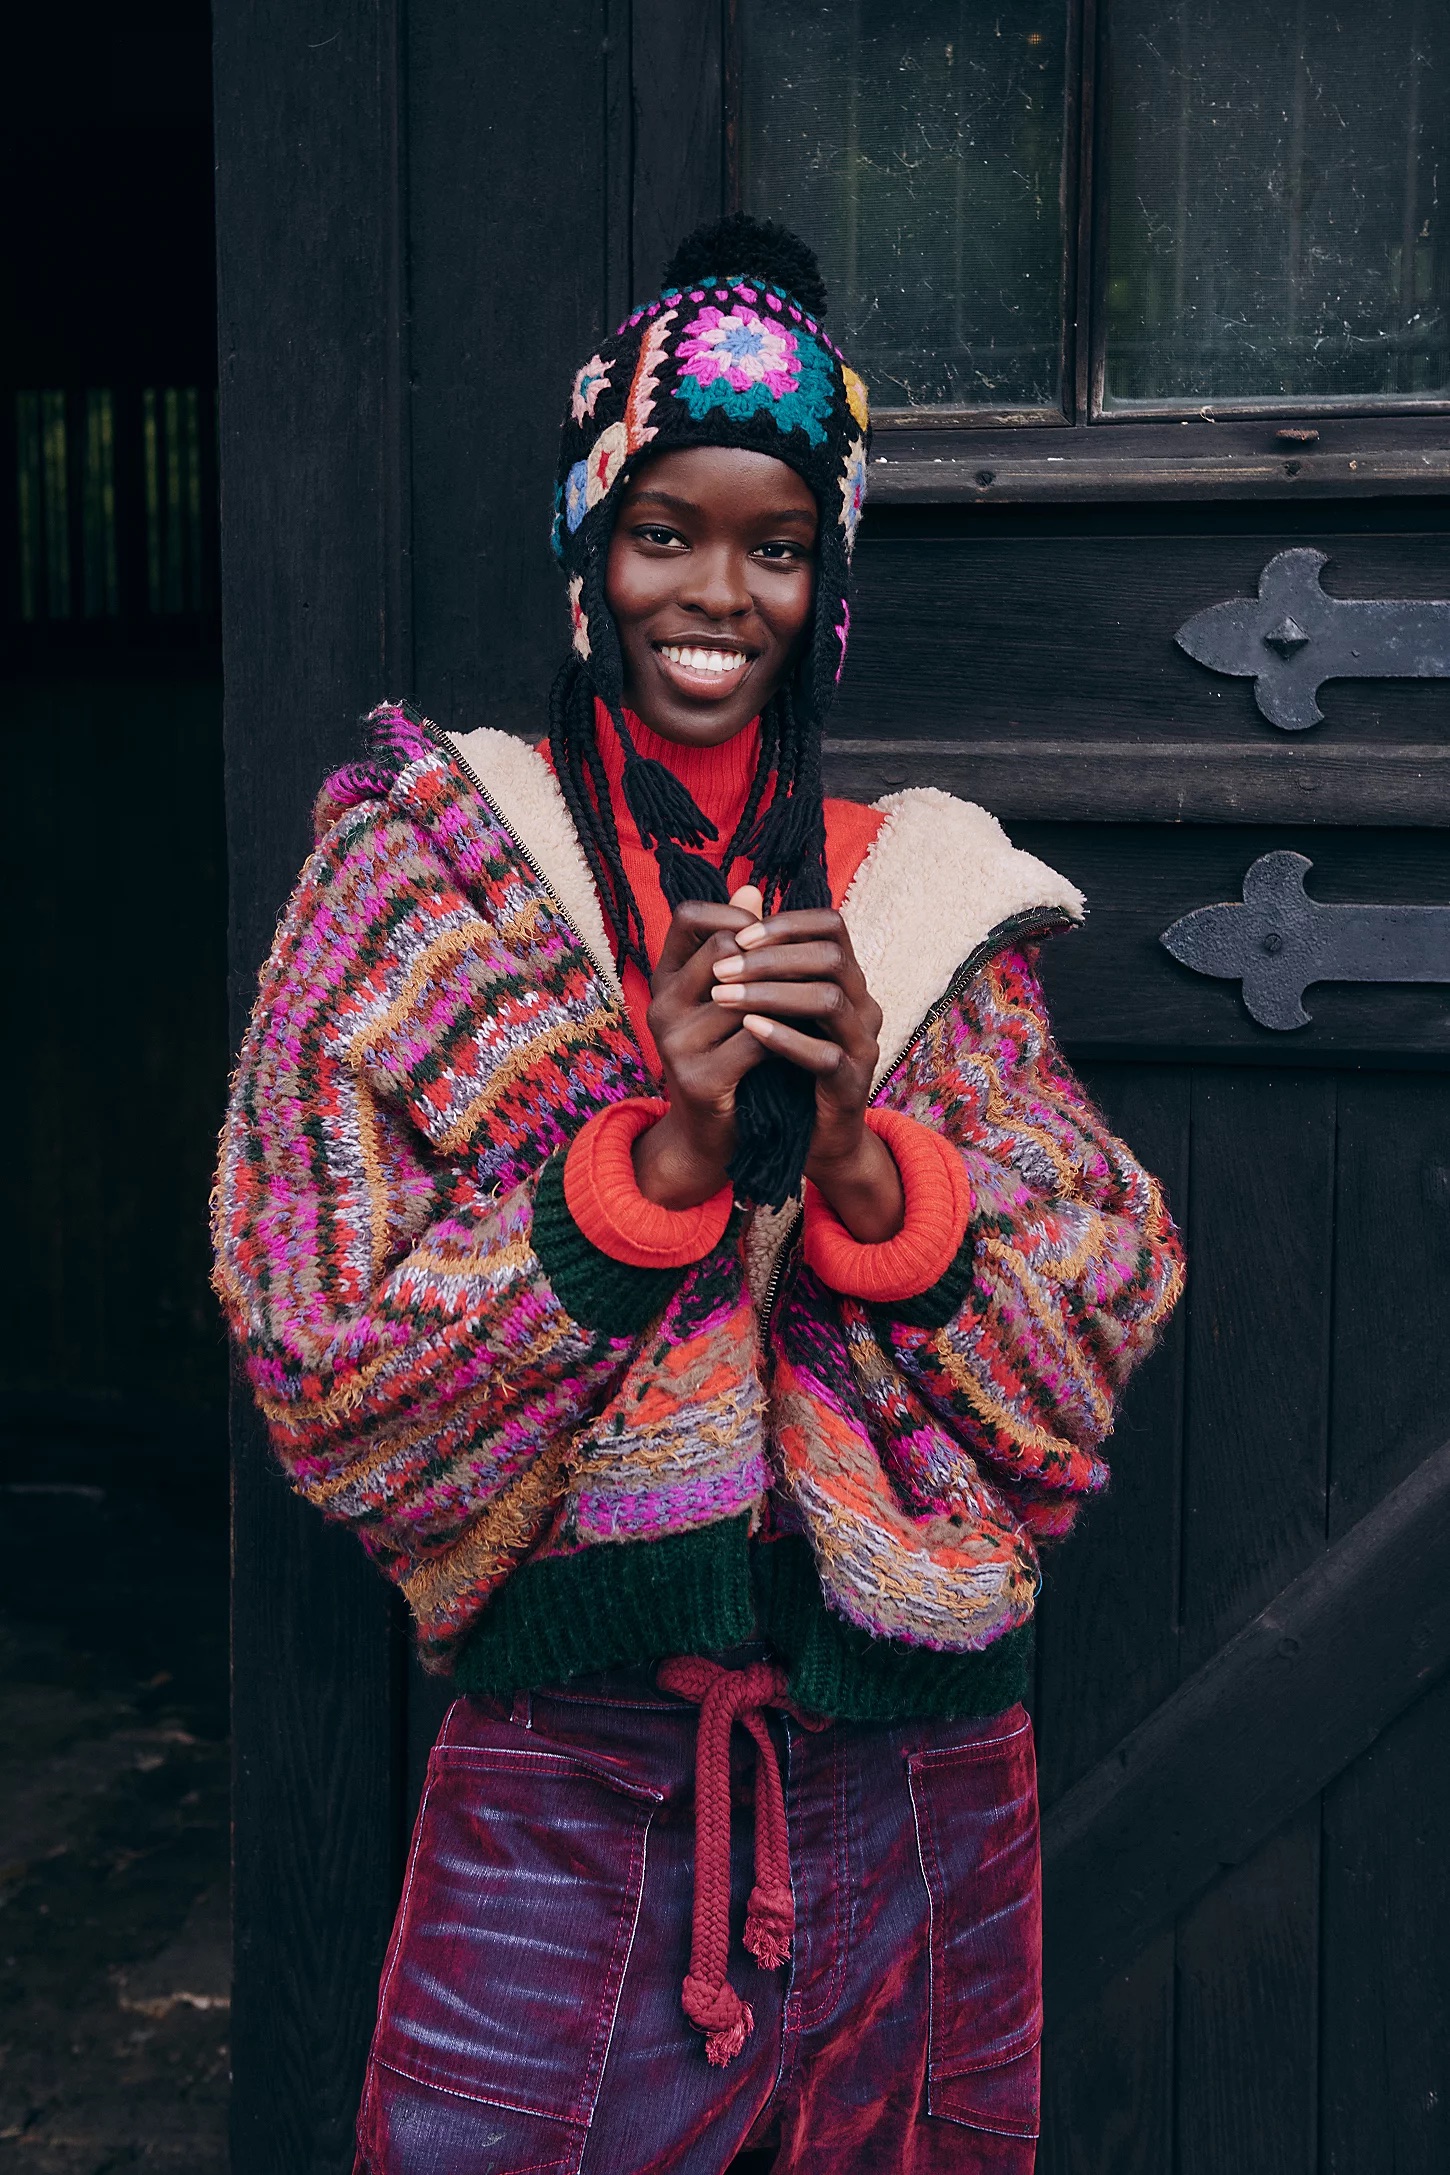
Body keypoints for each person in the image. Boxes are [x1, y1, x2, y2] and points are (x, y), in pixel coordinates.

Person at [214, 214, 1184, 2175]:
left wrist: (852, 1156)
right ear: (588, 554)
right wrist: (648, 1162)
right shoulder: (433, 881)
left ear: (822, 582)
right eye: (663, 526)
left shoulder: (915, 895)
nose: (710, 587)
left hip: (919, 1785)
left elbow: (1085, 1326)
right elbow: (317, 1349)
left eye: (772, 538)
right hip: (569, 1784)